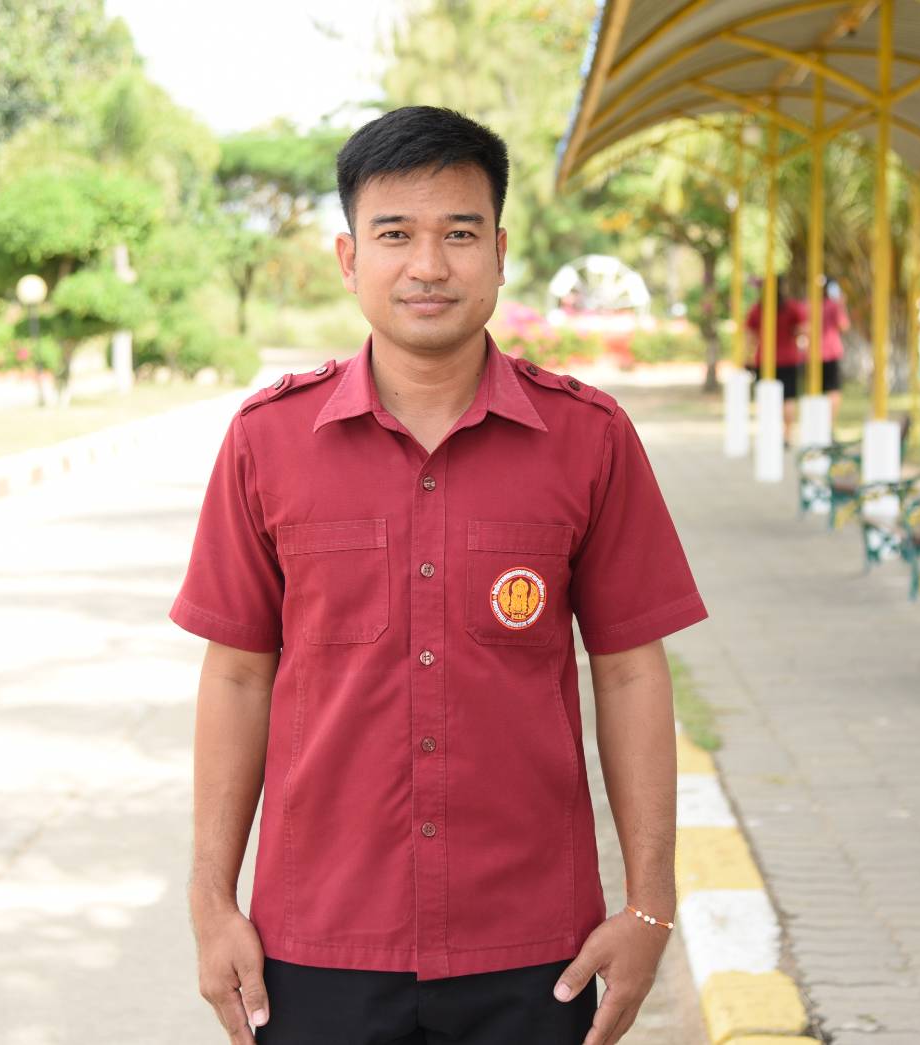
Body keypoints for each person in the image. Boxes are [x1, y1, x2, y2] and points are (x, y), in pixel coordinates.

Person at [174, 106, 709, 1045]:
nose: (428, 265)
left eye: (459, 234)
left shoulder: (588, 439)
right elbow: (238, 675)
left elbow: (630, 671)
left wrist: (650, 905)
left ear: (499, 253)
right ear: (349, 259)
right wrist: (211, 902)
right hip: (316, 944)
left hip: (533, 947)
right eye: (395, 235)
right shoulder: (267, 441)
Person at [744, 276, 809, 435]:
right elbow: (804, 330)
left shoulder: (757, 309)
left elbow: (749, 337)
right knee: (788, 398)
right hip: (788, 359)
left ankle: (769, 433)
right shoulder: (792, 307)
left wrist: (747, 357)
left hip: (765, 359)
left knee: (766, 399)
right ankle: (787, 434)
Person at [820, 278, 851, 419]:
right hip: (831, 352)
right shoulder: (834, 306)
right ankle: (829, 423)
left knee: (818, 391)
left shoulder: (812, 305)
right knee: (833, 390)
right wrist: (842, 305)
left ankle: (821, 423)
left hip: (815, 353)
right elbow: (844, 326)